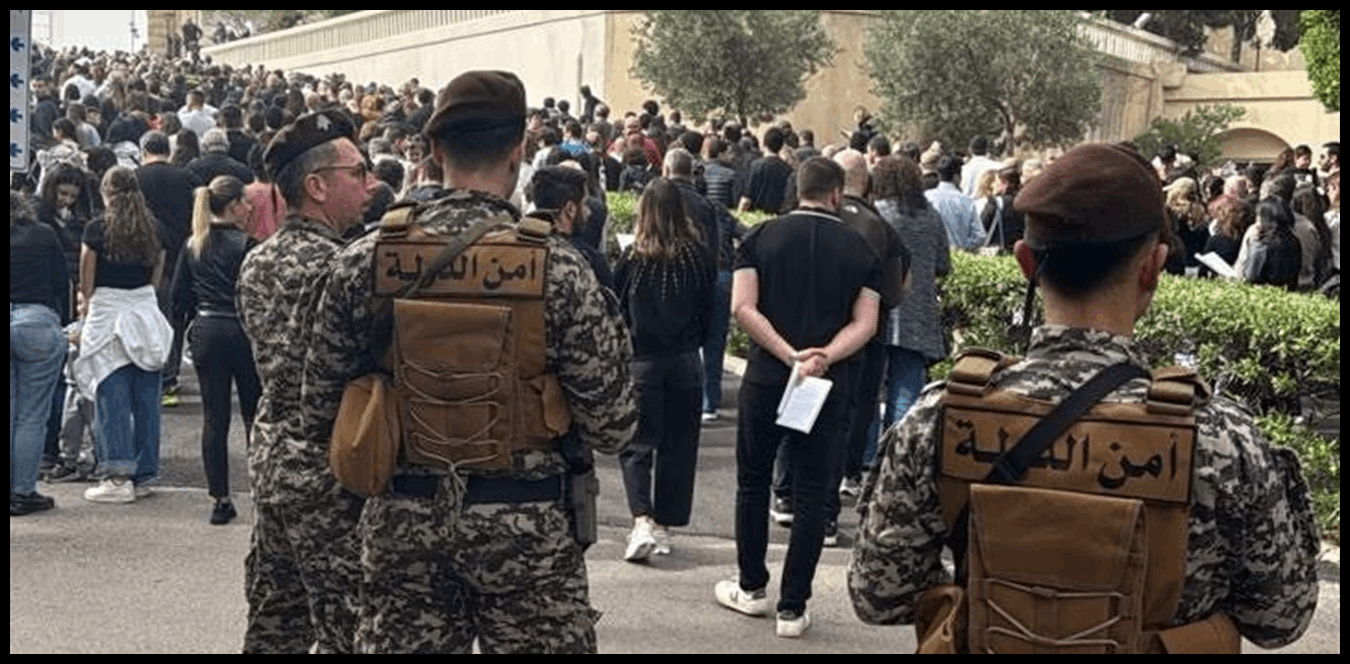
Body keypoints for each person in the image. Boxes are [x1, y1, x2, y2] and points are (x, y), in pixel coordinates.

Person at [849, 143, 1319, 652]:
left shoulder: (940, 418)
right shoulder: (1222, 438)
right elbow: (1280, 619)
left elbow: (879, 595)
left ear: (1026, 262)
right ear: (1153, 267)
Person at [301, 70, 637, 654]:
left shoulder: (364, 261)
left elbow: (318, 412)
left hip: (402, 528)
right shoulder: (558, 268)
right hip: (528, 533)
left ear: (434, 151)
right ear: (518, 151)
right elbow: (613, 425)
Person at [717, 156, 882, 639]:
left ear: (796, 190)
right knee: (812, 494)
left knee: (753, 483)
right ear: (836, 195)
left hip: (768, 375)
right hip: (828, 383)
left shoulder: (759, 238)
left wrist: (789, 354)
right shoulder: (861, 249)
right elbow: (866, 323)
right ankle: (793, 606)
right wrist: (823, 356)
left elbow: (742, 307)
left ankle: (751, 586)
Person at [235, 109, 377, 653]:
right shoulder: (344, 268)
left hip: (274, 463)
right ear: (316, 186)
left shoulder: (257, 261)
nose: (368, 184)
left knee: (275, 623)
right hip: (331, 472)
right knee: (350, 629)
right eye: (357, 173)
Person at [615, 177, 715, 562]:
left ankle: (641, 519)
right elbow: (709, 310)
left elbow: (618, 309)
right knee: (679, 447)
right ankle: (665, 525)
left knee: (637, 445)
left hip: (643, 361)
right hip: (686, 359)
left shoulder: (633, 258)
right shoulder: (698, 256)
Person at [73, 166, 172, 504]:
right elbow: (156, 279)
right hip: (144, 312)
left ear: (105, 193)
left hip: (108, 314)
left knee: (111, 395)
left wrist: (85, 305)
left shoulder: (96, 229)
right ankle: (145, 473)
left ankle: (117, 476)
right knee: (146, 400)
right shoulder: (155, 229)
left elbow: (86, 280)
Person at [170, 175, 261, 525]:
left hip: (207, 330)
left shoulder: (194, 244)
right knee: (254, 414)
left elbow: (179, 296)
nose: (249, 207)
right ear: (234, 205)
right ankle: (259, 490)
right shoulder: (248, 245)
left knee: (214, 417)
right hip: (242, 329)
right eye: (245, 202)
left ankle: (220, 498)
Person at [830, 149, 910, 544]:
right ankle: (848, 472)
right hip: (869, 332)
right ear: (866, 181)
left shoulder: (816, 217)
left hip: (819, 330)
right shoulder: (880, 226)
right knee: (860, 404)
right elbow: (897, 287)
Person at [869, 154, 950, 474]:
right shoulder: (931, 216)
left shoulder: (877, 212)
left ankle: (865, 457)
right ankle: (897, 460)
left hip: (878, 308)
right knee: (907, 392)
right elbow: (943, 264)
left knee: (869, 390)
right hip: (919, 314)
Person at [11, 193, 70, 516]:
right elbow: (62, 280)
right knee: (32, 415)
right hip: (37, 320)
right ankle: (23, 491)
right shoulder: (44, 234)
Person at [137, 130, 202, 407]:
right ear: (169, 151)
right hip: (179, 256)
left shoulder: (135, 177)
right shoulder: (187, 178)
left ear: (144, 151)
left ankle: (145, 371)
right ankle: (169, 375)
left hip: (142, 257)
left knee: (142, 316)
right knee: (174, 318)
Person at [926, 154, 985, 250]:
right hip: (959, 254)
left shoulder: (927, 197)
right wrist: (963, 246)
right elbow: (979, 236)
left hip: (932, 252)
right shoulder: (967, 202)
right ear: (956, 176)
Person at [738, 127, 794, 214]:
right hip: (778, 217)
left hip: (757, 217)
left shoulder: (755, 166)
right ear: (781, 146)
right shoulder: (788, 170)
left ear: (764, 144)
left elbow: (746, 200)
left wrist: (739, 215)